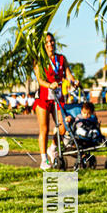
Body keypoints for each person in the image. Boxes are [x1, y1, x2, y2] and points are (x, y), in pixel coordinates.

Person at [33, 32, 79, 170]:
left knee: (63, 125)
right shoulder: (39, 60)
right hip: (43, 97)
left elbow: (68, 74)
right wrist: (49, 85)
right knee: (44, 129)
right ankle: (44, 159)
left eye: (51, 41)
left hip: (58, 96)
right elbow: (40, 80)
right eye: (47, 42)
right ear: (43, 45)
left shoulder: (61, 58)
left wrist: (74, 81)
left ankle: (52, 148)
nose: (50, 44)